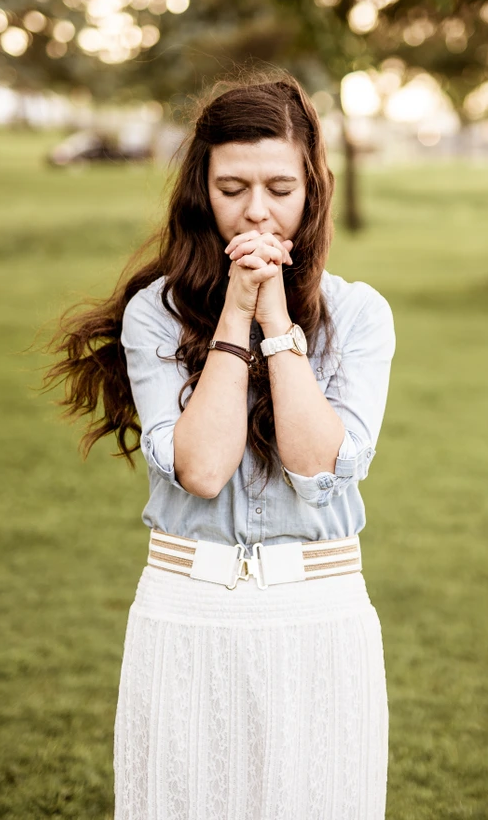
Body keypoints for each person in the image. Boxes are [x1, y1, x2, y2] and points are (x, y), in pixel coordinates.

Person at [45, 73, 396, 820]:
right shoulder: (156, 314)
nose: (257, 210)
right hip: (188, 612)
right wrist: (236, 315)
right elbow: (203, 470)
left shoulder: (360, 315)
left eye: (280, 188)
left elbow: (316, 467)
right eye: (232, 188)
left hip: (319, 616)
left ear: (312, 190)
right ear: (202, 193)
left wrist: (277, 322)